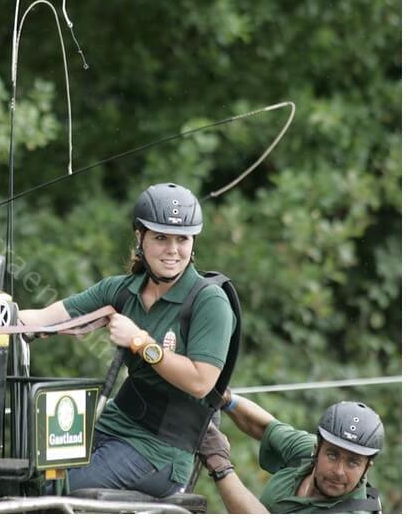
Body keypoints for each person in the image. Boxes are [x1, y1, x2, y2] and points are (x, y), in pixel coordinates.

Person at [20, 182, 234, 497]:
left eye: (182, 239)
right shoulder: (122, 290)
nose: (173, 250)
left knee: (57, 490)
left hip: (162, 450)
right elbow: (46, 317)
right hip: (115, 424)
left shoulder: (209, 301)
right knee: (28, 477)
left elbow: (201, 382)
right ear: (139, 237)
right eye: (161, 238)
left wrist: (140, 342)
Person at [199, 394, 385, 513]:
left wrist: (220, 464)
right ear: (317, 448)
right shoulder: (307, 450)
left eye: (353, 462)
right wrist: (225, 398)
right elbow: (265, 427)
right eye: (332, 455)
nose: (338, 471)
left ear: (366, 468)